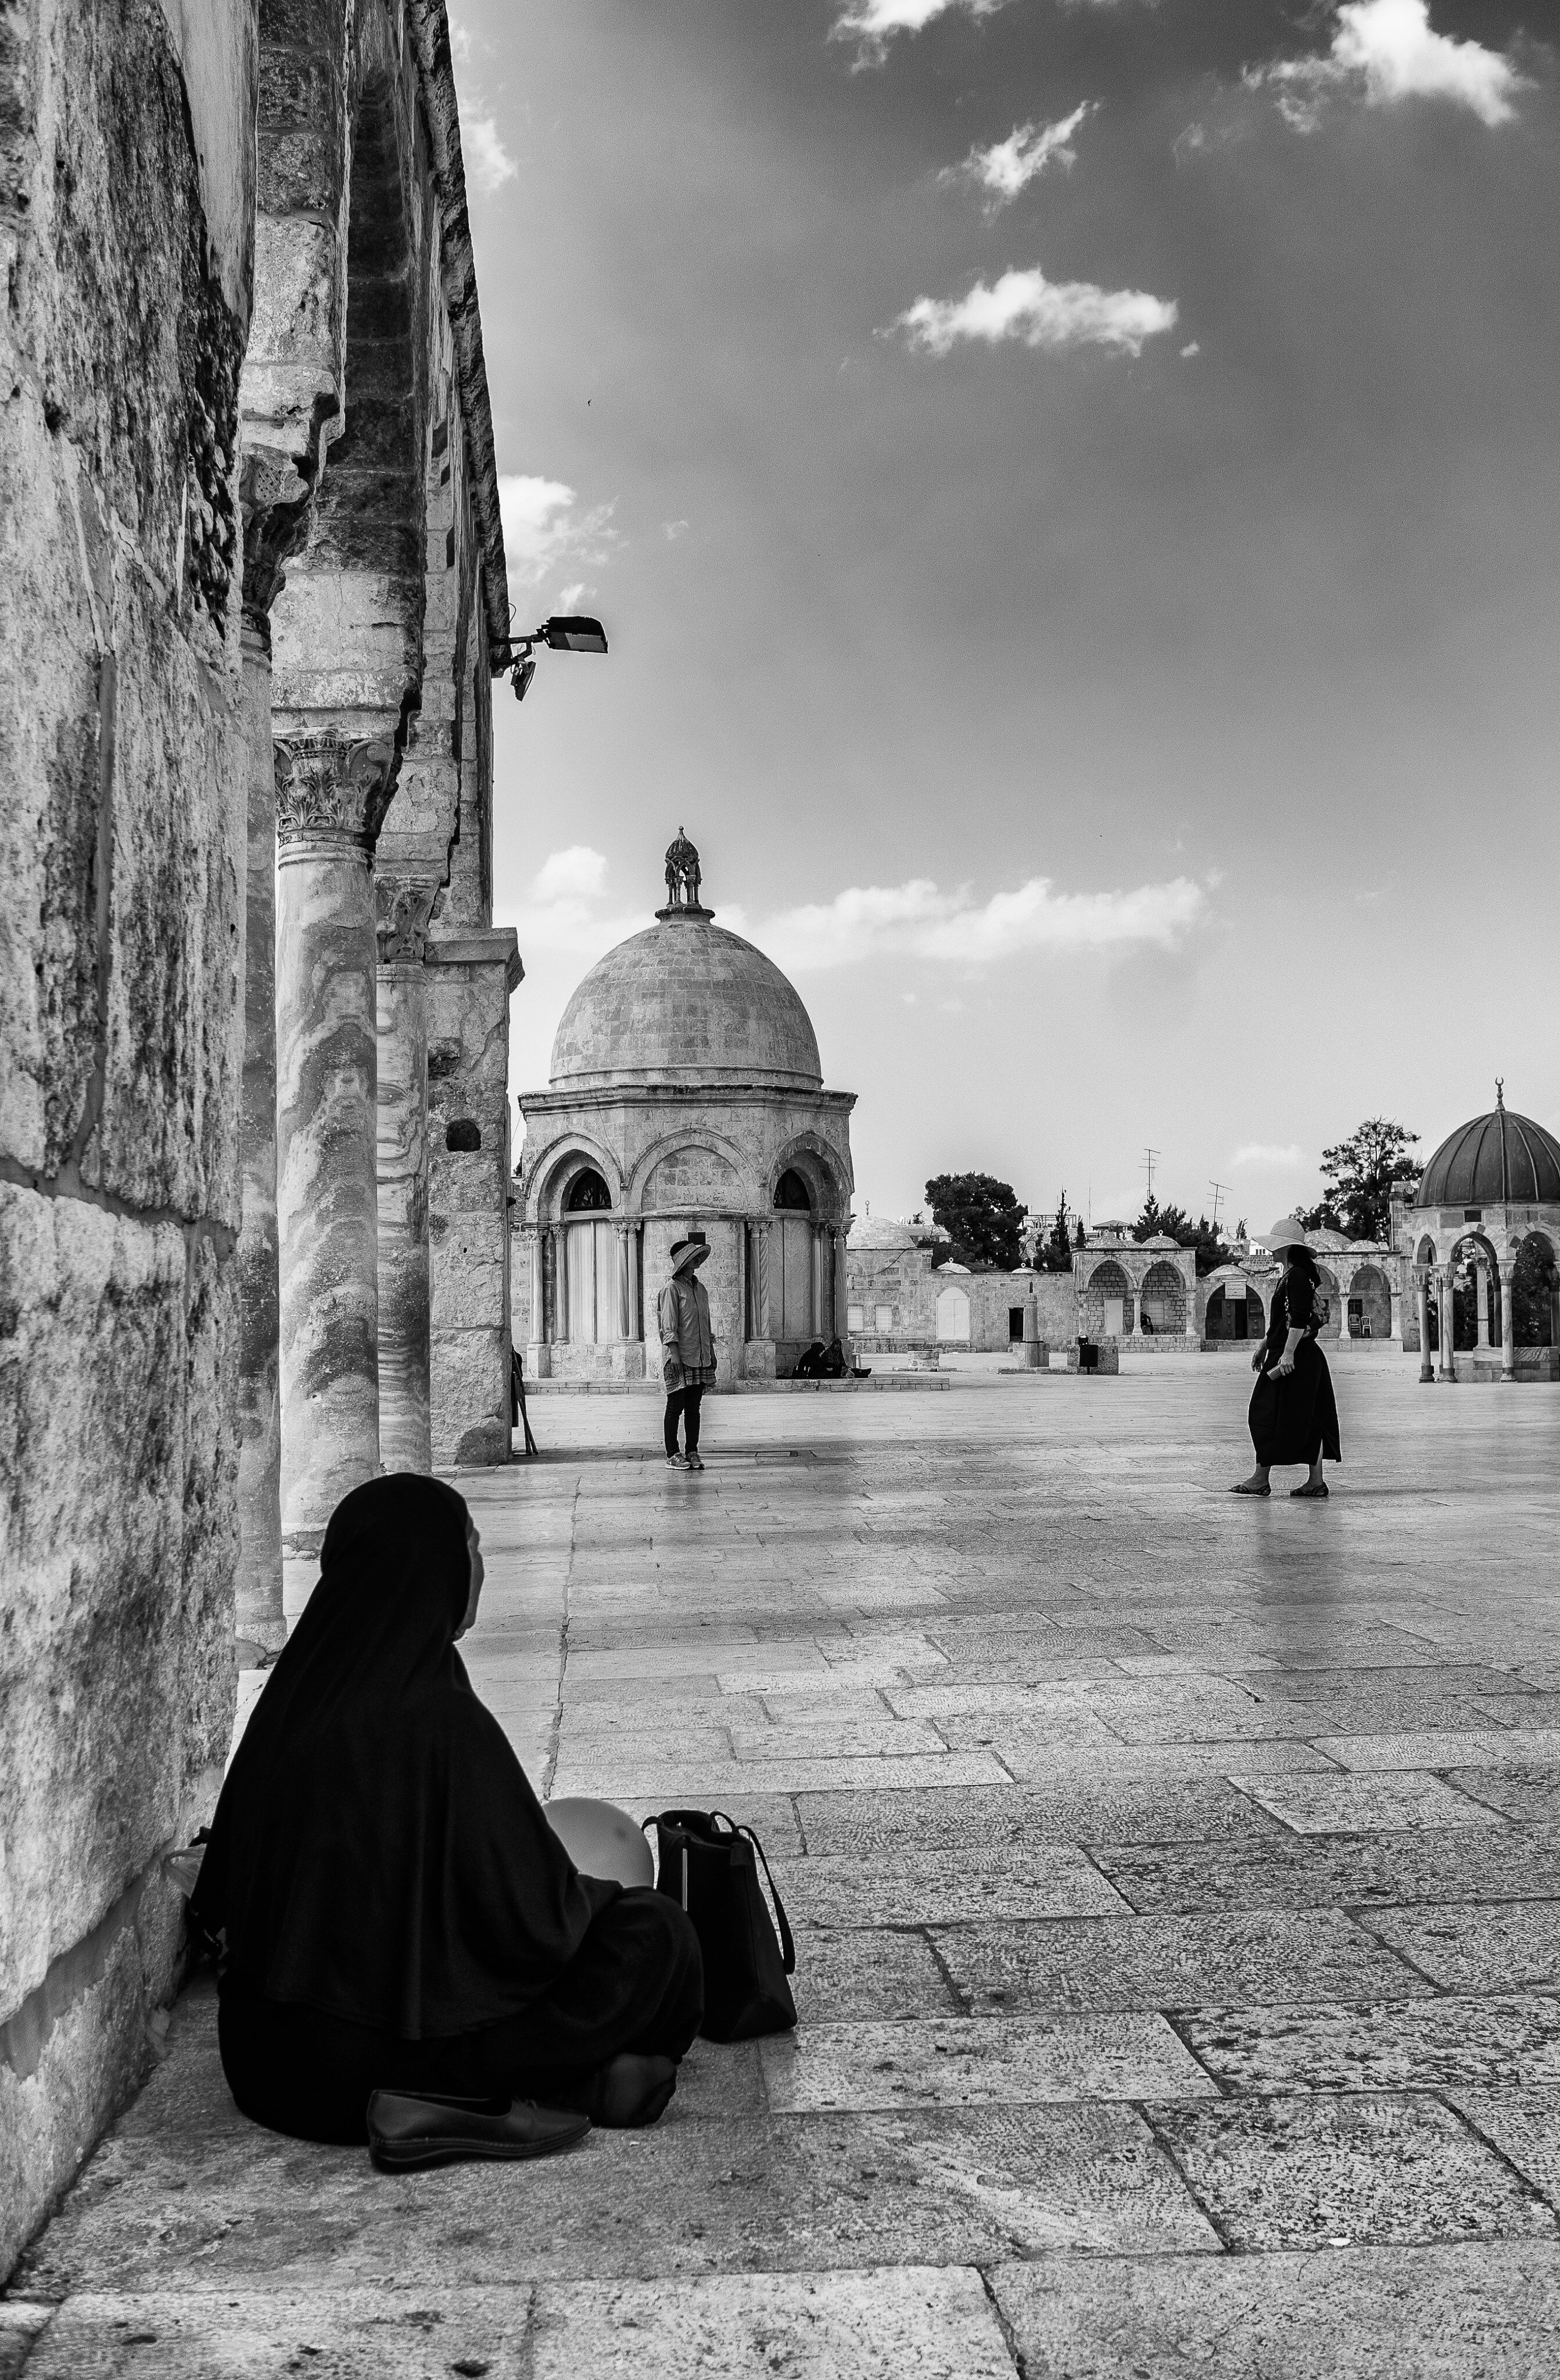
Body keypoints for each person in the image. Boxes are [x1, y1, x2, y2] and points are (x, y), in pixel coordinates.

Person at [189, 1475, 702, 2148]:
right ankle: (520, 2088)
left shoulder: (290, 1698)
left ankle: (545, 2089)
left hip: (267, 2065)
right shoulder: (439, 1715)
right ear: (435, 1564)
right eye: (472, 1544)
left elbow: (219, 1897)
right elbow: (533, 1925)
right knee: (658, 1937)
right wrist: (602, 1896)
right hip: (369, 2069)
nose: (481, 1565)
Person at [1233, 1219, 1342, 1499]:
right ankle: (1313, 1482)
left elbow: (1299, 1317)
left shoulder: (1295, 1277)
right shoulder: (1292, 1275)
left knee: (1265, 1413)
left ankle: (1262, 1479)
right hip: (1291, 1355)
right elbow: (1283, 1320)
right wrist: (1264, 1345)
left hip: (1296, 1359)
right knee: (1304, 1416)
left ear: (1286, 1247)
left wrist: (1288, 1353)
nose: (1269, 1249)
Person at [659, 1234, 716, 1470]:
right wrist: (674, 1354)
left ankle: (692, 1451)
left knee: (694, 1407)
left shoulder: (700, 1289)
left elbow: (706, 1324)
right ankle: (673, 1454)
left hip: (700, 1355)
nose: (696, 1261)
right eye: (691, 1257)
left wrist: (711, 1352)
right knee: (675, 1406)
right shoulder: (671, 1289)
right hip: (679, 1356)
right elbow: (668, 1325)